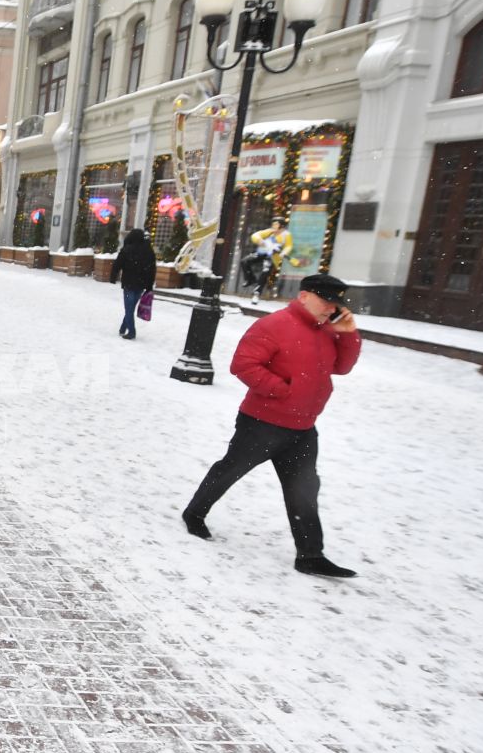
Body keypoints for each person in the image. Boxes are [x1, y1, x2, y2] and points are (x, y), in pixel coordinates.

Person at [182, 272, 362, 578]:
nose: (331, 309)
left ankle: (309, 554)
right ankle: (195, 512)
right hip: (262, 423)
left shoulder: (328, 331)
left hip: (303, 428)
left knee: (304, 490)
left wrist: (348, 334)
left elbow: (342, 367)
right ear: (304, 296)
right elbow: (243, 364)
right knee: (230, 470)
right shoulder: (274, 325)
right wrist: (283, 391)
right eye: (326, 301)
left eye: (336, 304)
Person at [111, 228, 158, 340]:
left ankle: (131, 331)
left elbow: (117, 264)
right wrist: (149, 286)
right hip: (141, 284)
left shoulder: (127, 250)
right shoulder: (148, 251)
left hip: (129, 283)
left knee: (129, 308)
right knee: (130, 308)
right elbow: (152, 269)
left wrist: (113, 277)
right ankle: (123, 328)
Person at [243, 215, 293, 295]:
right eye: (273, 224)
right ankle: (250, 279)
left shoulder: (286, 235)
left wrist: (284, 252)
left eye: (276, 224)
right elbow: (255, 235)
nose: (274, 226)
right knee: (245, 261)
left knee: (266, 270)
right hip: (263, 252)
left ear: (281, 225)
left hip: (273, 256)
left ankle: (258, 290)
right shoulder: (270, 231)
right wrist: (259, 240)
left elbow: (289, 246)